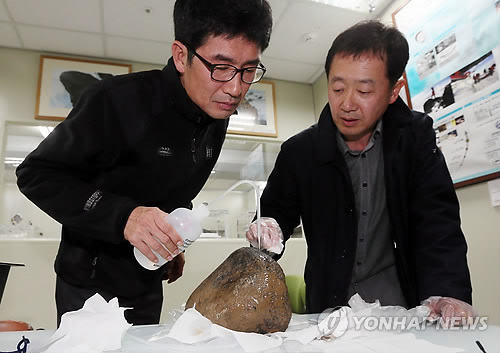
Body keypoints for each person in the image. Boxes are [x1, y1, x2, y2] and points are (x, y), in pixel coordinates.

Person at [16, 0, 272, 326]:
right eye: (220, 67)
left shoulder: (215, 117)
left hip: (148, 280)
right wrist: (125, 217)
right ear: (181, 55)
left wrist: (169, 238)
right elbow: (36, 174)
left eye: (249, 70)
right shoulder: (115, 100)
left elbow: (172, 186)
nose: (236, 88)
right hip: (88, 284)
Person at [247, 20, 475, 326]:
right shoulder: (300, 152)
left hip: (402, 312)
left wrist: (448, 292)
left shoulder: (415, 139)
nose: (347, 104)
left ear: (394, 90)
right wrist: (267, 227)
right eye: (337, 88)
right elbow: (274, 212)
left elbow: (437, 223)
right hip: (327, 312)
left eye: (364, 90)